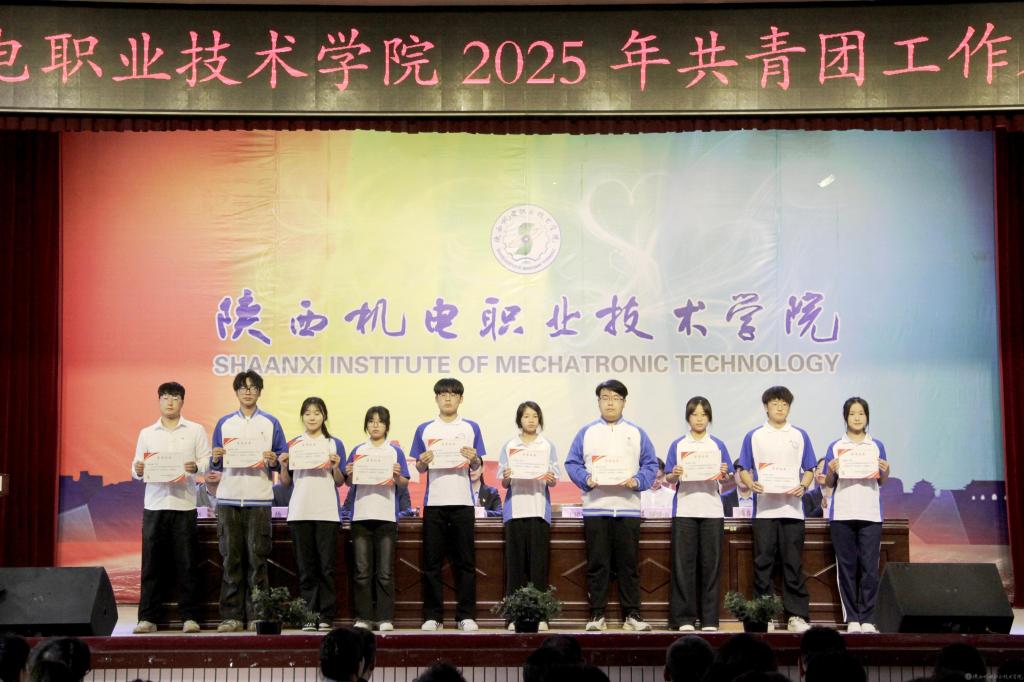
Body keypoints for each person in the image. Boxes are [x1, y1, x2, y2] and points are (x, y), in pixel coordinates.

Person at [565, 379, 659, 632]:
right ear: (598, 402)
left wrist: (637, 481)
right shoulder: (586, 432)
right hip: (596, 507)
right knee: (598, 564)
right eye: (605, 397)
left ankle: (632, 615)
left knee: (629, 565)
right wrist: (586, 479)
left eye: (616, 398)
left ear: (624, 403)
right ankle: (597, 615)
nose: (610, 403)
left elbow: (651, 464)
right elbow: (572, 463)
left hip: (627, 507)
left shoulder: (636, 432)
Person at [209, 370, 287, 632]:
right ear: (236, 391)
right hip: (228, 499)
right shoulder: (224, 423)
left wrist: (274, 460)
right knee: (230, 560)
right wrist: (216, 457)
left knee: (257, 560)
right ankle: (231, 617)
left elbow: (281, 457)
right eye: (243, 387)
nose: (248, 391)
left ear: (260, 392)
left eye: (253, 387)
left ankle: (258, 615)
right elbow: (215, 463)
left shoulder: (271, 422)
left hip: (259, 499)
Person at [130, 381, 210, 634]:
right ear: (159, 401)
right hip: (154, 505)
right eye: (165, 397)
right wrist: (138, 469)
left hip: (184, 504)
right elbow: (136, 466)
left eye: (175, 397)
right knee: (151, 564)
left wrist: (196, 467)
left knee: (187, 563)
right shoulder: (147, 433)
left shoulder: (195, 430)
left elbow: (207, 461)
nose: (170, 402)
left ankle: (190, 617)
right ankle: (147, 618)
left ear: (182, 401)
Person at [738, 385, 816, 633]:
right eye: (775, 403)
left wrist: (803, 485)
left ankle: (796, 616)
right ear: (766, 407)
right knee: (763, 565)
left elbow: (810, 469)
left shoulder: (800, 435)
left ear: (789, 407)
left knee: (793, 565)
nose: (780, 408)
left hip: (793, 511)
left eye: (784, 404)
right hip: (765, 512)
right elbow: (743, 468)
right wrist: (751, 483)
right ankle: (765, 616)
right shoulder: (755, 435)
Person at [409, 378, 486, 631]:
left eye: (453, 394)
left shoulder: (471, 427)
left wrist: (474, 459)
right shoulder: (425, 429)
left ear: (461, 399)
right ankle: (433, 616)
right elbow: (420, 467)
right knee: (432, 563)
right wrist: (422, 462)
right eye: (443, 394)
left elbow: (477, 465)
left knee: (465, 562)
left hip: (463, 502)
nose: (448, 398)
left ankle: (466, 615)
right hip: (434, 503)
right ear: (436, 398)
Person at [664, 396, 732, 632]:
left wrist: (724, 473)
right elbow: (669, 477)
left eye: (704, 414)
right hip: (685, 509)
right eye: (694, 414)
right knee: (684, 566)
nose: (699, 419)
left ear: (709, 418)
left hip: (712, 510)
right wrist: (674, 474)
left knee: (711, 566)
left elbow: (728, 477)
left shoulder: (718, 445)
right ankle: (684, 619)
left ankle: (710, 620)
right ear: (688, 417)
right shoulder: (678, 445)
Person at [823, 397, 890, 634]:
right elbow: (829, 483)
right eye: (852, 413)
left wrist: (886, 471)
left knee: (870, 567)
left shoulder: (876, 445)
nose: (857, 417)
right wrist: (831, 470)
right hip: (842, 514)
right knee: (847, 567)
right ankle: (852, 618)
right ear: (845, 417)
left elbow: (881, 481)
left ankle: (868, 618)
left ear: (867, 417)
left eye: (861, 413)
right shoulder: (835, 446)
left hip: (870, 514)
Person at [279, 396, 346, 632]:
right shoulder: (294, 444)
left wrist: (335, 467)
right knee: (306, 568)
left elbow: (340, 482)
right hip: (300, 511)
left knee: (326, 567)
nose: (312, 417)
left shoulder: (334, 443)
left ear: (324, 416)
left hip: (327, 512)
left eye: (317, 413)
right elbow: (285, 482)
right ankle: (308, 616)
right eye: (307, 413)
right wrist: (283, 466)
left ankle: (326, 616)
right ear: (302, 417)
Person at [344, 406, 410, 631]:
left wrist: (397, 475)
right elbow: (348, 482)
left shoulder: (395, 451)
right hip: (361, 517)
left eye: (380, 421)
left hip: (386, 517)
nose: (375, 425)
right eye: (371, 421)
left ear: (386, 426)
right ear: (366, 425)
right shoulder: (358, 450)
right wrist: (350, 472)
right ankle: (363, 617)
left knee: (385, 572)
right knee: (362, 571)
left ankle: (384, 618)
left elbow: (404, 483)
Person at [498, 401, 560, 629]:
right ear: (519, 420)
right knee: (515, 567)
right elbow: (504, 482)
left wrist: (551, 478)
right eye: (526, 416)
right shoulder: (510, 445)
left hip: (538, 510)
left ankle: (540, 616)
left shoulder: (547, 445)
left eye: (534, 416)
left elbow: (554, 479)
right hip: (515, 511)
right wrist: (507, 476)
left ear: (539, 419)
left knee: (538, 566)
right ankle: (514, 617)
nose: (531, 420)